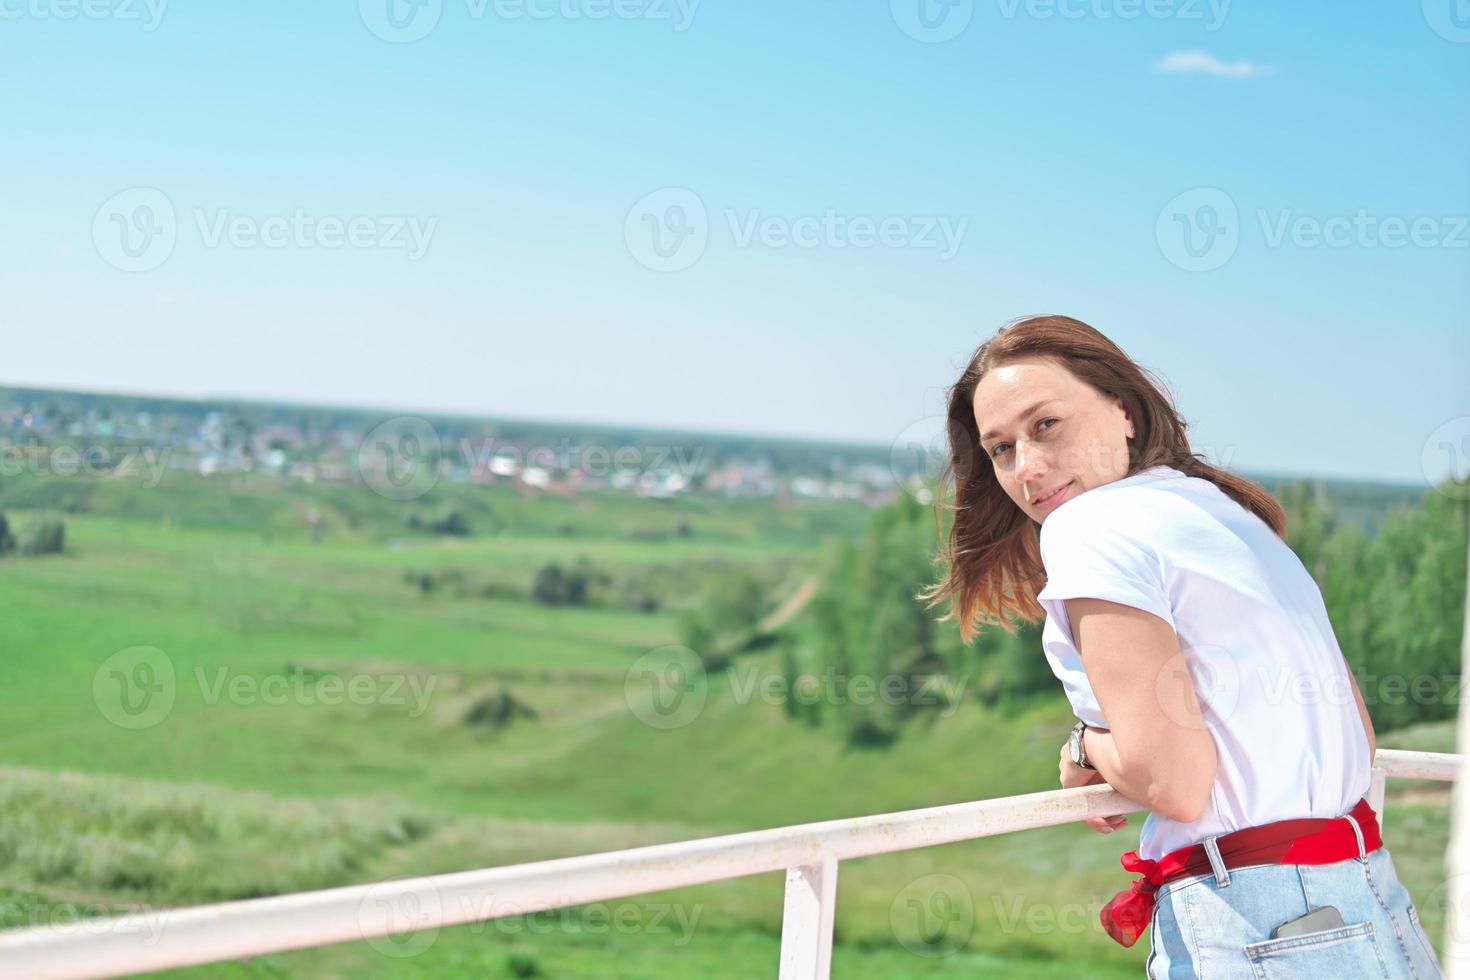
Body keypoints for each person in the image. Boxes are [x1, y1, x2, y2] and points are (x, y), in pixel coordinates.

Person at [919, 314, 1444, 977]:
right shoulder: (1228, 512)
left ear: (1124, 411)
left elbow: (1171, 780)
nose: (1027, 467)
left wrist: (1087, 746)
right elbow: (1358, 740)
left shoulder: (1086, 528)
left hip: (1258, 924)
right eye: (1001, 449)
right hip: (1374, 903)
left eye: (1046, 426)